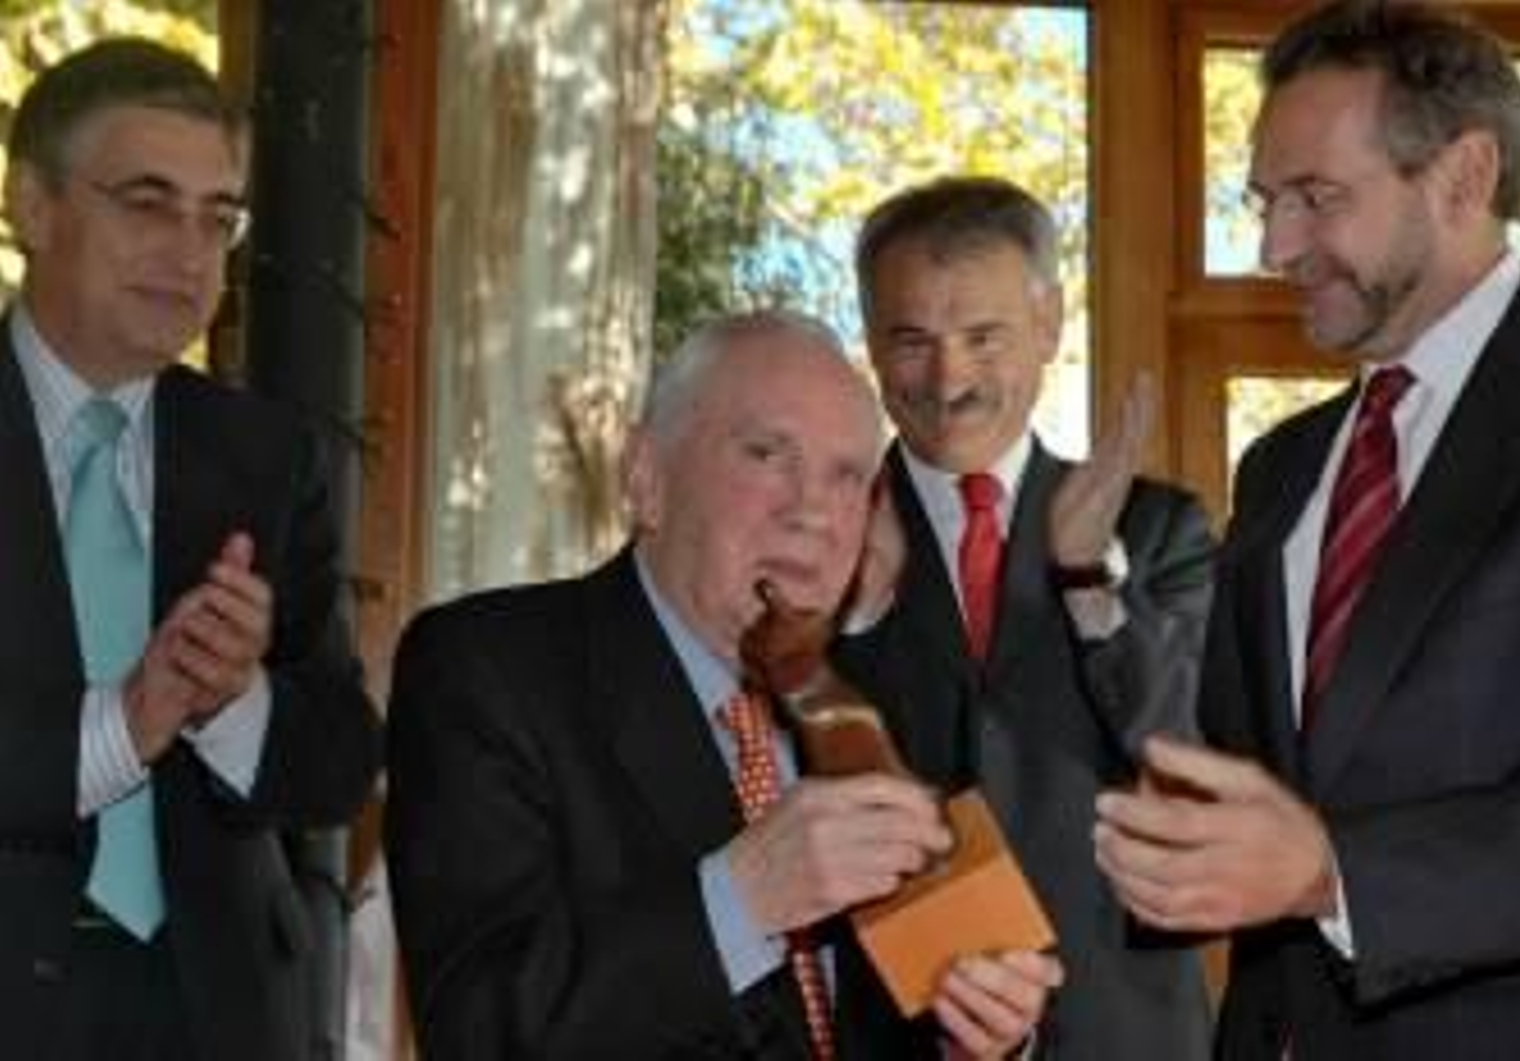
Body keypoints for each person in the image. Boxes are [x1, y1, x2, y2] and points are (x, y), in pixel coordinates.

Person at [1092, 2, 1520, 1058]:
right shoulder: (1280, 468)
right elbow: (1235, 775)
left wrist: (1332, 870)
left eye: (1316, 197)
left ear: (1461, 176)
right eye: (1264, 201)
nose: (1275, 245)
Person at [384, 310, 1063, 1059]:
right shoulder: (490, 669)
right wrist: (741, 902)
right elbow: (478, 1029)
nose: (811, 510)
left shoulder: (881, 704)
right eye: (768, 453)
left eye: (847, 476)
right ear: (647, 479)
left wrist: (984, 1039)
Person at [0, 38, 382, 1061]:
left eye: (218, 217)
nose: (190, 250)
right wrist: (121, 726)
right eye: (148, 202)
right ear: (32, 206)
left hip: (219, 1011)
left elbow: (337, 760)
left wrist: (231, 699)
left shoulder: (263, 455)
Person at [833, 176, 1216, 1059]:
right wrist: (857, 621)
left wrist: (1089, 577)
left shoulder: (1157, 530)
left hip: (1125, 1030)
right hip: (893, 1029)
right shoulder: (823, 536)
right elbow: (771, 775)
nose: (949, 378)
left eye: (983, 337)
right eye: (912, 340)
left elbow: (1194, 760)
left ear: (1048, 327)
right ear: (872, 344)